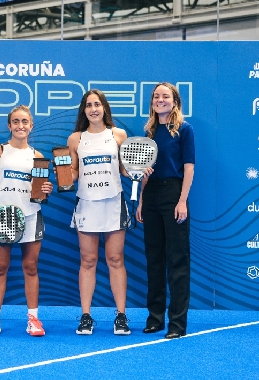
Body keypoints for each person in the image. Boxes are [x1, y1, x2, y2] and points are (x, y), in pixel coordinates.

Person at [0, 105, 53, 337]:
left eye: (25, 122)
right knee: (0, 268)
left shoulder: (38, 157)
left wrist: (46, 189)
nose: (20, 126)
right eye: (16, 122)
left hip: (32, 216)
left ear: (31, 126)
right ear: (9, 125)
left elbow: (39, 192)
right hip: (0, 217)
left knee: (31, 267)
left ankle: (33, 319)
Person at [67, 89, 131, 335]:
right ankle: (86, 316)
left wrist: (139, 170)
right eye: (88, 105)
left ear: (104, 108)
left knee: (115, 260)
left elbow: (125, 169)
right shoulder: (75, 139)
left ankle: (121, 316)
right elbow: (74, 173)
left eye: (97, 104)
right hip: (87, 205)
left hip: (113, 204)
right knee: (88, 261)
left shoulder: (118, 135)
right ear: (84, 110)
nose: (93, 109)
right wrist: (62, 176)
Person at [136, 82, 195, 339]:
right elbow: (144, 172)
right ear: (152, 102)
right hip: (150, 197)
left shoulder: (184, 129)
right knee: (154, 259)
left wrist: (182, 201)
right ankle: (155, 318)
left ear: (175, 101)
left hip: (174, 193)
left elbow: (189, 168)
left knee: (177, 260)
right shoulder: (148, 132)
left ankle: (177, 324)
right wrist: (140, 201)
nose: (160, 100)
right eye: (156, 96)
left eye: (166, 96)